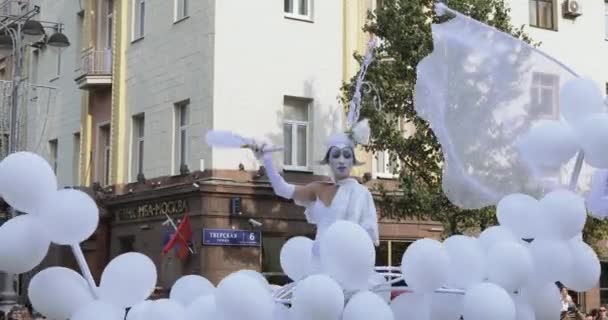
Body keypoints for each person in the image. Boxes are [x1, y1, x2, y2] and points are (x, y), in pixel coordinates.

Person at [255, 119, 379, 270]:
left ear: (353, 161)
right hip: (319, 263)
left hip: (347, 265)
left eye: (347, 155)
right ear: (328, 160)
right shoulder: (318, 188)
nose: (341, 161)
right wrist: (267, 160)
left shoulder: (361, 194)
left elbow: (367, 237)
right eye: (336, 155)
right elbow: (282, 189)